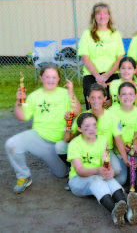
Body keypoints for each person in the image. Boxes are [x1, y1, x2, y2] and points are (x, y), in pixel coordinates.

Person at [5, 63, 81, 193]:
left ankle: (72, 169)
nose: (50, 80)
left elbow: (77, 111)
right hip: (40, 139)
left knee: (61, 173)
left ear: (58, 79)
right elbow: (22, 116)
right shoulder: (35, 96)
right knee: (12, 144)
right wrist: (18, 102)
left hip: (62, 141)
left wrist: (71, 92)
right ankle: (23, 176)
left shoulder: (65, 93)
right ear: (41, 78)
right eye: (47, 77)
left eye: (54, 77)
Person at [67, 113, 137, 226]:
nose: (91, 129)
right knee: (96, 180)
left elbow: (105, 162)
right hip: (78, 181)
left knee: (109, 179)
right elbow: (80, 171)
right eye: (87, 126)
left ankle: (128, 213)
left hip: (97, 175)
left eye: (94, 125)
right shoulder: (74, 144)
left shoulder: (101, 139)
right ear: (79, 129)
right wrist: (98, 170)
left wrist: (108, 170)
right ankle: (114, 211)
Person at [56, 83, 128, 185]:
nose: (96, 101)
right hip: (86, 150)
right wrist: (68, 122)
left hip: (106, 151)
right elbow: (67, 139)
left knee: (119, 176)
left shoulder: (112, 117)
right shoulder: (84, 116)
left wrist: (125, 159)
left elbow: (118, 140)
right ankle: (76, 172)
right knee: (60, 146)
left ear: (105, 98)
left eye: (99, 97)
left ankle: (91, 178)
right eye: (93, 98)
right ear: (88, 99)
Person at [79, 2, 125, 109]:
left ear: (109, 16)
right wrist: (97, 77)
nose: (102, 16)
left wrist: (107, 75)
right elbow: (85, 58)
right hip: (91, 75)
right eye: (99, 14)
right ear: (94, 17)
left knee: (112, 106)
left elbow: (120, 58)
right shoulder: (87, 34)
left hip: (112, 74)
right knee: (94, 108)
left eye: (105, 13)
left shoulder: (115, 34)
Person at [109, 82, 137, 185]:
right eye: (124, 94)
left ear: (135, 96)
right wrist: (123, 151)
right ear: (118, 96)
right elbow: (112, 137)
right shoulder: (112, 111)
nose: (127, 97)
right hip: (116, 150)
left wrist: (134, 147)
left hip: (129, 148)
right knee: (121, 180)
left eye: (131, 94)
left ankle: (132, 176)